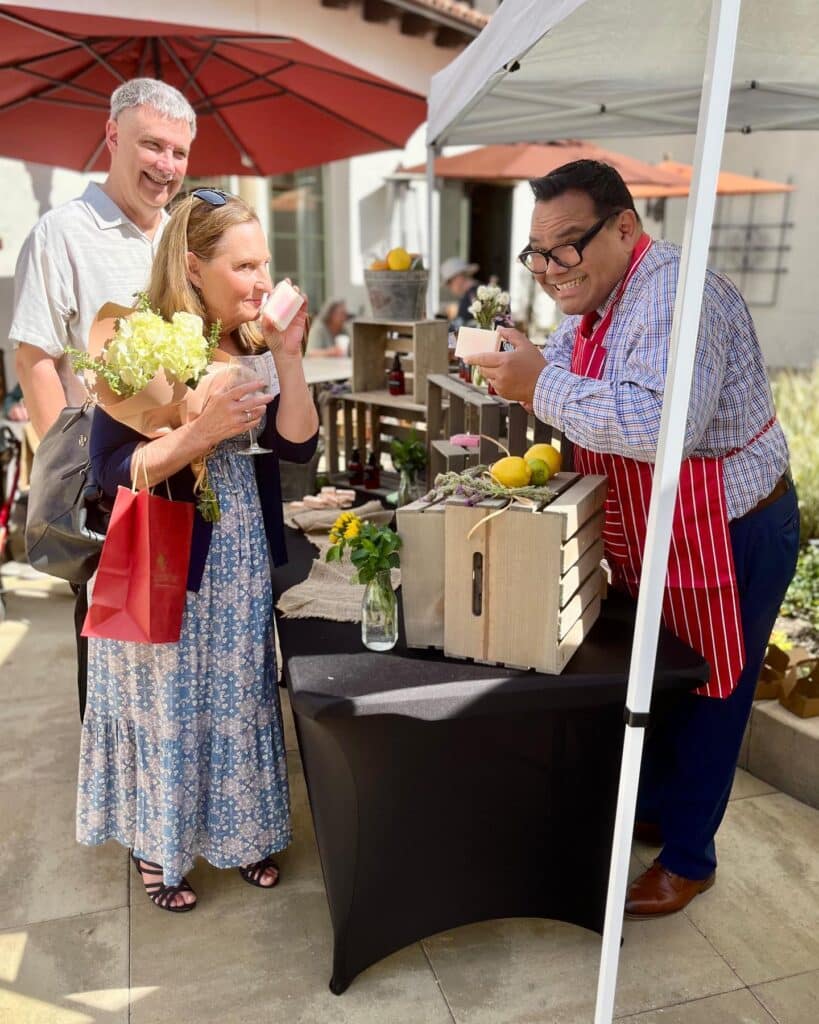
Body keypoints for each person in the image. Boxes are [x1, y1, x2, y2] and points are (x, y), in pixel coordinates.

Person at [467, 159, 799, 918]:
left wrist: (536, 385)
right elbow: (589, 370)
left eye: (565, 248)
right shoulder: (601, 295)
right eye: (536, 255)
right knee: (657, 681)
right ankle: (658, 812)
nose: (550, 270)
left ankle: (689, 857)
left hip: (731, 525)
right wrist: (528, 361)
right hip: (661, 525)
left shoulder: (681, 298)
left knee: (713, 690)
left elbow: (661, 424)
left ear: (624, 227)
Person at [76, 190, 319, 911]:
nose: (260, 281)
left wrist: (289, 353)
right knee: (165, 700)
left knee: (239, 692)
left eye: (264, 265)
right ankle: (160, 844)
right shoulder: (137, 340)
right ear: (193, 265)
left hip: (240, 542)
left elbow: (298, 445)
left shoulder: (251, 344)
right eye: (243, 265)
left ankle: (242, 833)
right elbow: (113, 473)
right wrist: (197, 431)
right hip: (161, 543)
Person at [9, 77, 196, 721]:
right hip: (107, 481)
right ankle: (118, 790)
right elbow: (33, 356)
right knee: (115, 651)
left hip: (188, 465)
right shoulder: (62, 232)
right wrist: (65, 473)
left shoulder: (186, 234)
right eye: (152, 146)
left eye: (178, 152)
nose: (166, 166)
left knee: (180, 646)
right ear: (113, 137)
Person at [440, 256, 481, 329]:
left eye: (449, 282)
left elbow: (459, 327)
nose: (449, 287)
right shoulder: (481, 291)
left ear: (458, 277)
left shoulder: (470, 297)